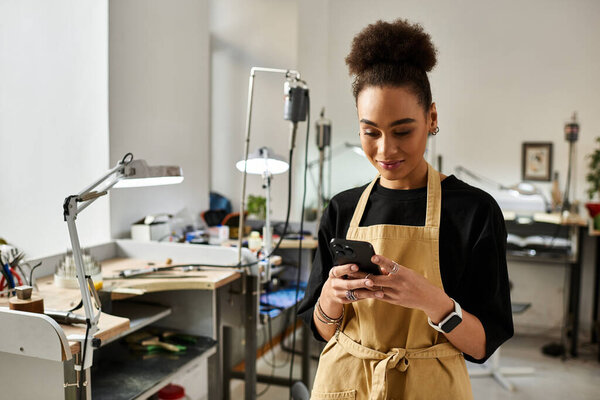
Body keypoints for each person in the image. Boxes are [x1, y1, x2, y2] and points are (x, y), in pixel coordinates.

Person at [298, 19, 513, 400]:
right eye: (371, 132)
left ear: (431, 118)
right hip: (347, 381)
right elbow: (321, 331)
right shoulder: (342, 208)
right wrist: (330, 297)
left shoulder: (474, 211)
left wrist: (432, 301)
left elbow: (481, 346)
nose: (385, 150)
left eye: (402, 131)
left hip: (429, 387)